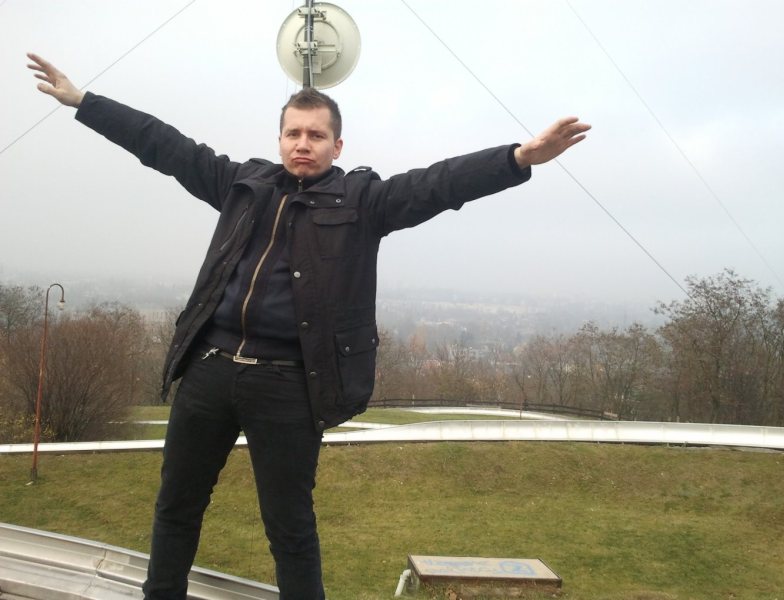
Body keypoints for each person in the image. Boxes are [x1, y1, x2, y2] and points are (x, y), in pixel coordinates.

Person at [27, 52, 590, 600]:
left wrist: (519, 157)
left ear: (336, 145)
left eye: (316, 135)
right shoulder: (243, 185)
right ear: (279, 139)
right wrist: (84, 101)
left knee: (290, 527)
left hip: (288, 385)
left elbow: (439, 183)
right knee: (176, 507)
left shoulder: (364, 201)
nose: (303, 143)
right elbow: (164, 144)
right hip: (210, 371)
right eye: (293, 133)